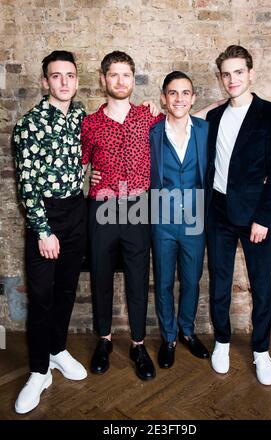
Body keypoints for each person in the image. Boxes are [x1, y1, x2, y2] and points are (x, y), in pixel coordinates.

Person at [205, 45, 271, 385]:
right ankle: (222, 342)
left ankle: (261, 351)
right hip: (218, 212)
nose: (232, 79)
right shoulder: (214, 116)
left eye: (239, 72)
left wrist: (264, 218)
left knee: (261, 286)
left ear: (251, 74)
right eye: (226, 74)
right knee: (220, 282)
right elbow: (185, 116)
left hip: (254, 215)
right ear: (221, 78)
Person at [81, 51, 164, 381]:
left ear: (133, 79)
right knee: (100, 275)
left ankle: (138, 344)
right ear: (103, 79)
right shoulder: (89, 123)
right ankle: (104, 340)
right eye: (113, 74)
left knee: (137, 278)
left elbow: (184, 117)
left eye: (126, 74)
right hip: (101, 207)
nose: (120, 81)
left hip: (136, 206)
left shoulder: (148, 117)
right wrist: (85, 177)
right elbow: (78, 165)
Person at [13, 50, 87, 414]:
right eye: (56, 76)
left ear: (76, 80)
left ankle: (57, 350)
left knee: (67, 289)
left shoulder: (80, 115)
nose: (63, 82)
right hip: (46, 215)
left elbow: (89, 155)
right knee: (42, 298)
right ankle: (39, 372)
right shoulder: (29, 124)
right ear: (45, 81)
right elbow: (27, 184)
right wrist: (43, 231)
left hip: (77, 211)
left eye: (69, 75)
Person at [150, 71, 210, 368]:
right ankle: (169, 337)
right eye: (173, 93)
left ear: (193, 98)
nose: (179, 98)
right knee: (163, 283)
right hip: (161, 219)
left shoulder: (204, 129)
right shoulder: (151, 131)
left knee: (191, 280)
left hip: (195, 217)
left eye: (185, 93)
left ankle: (187, 331)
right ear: (164, 97)